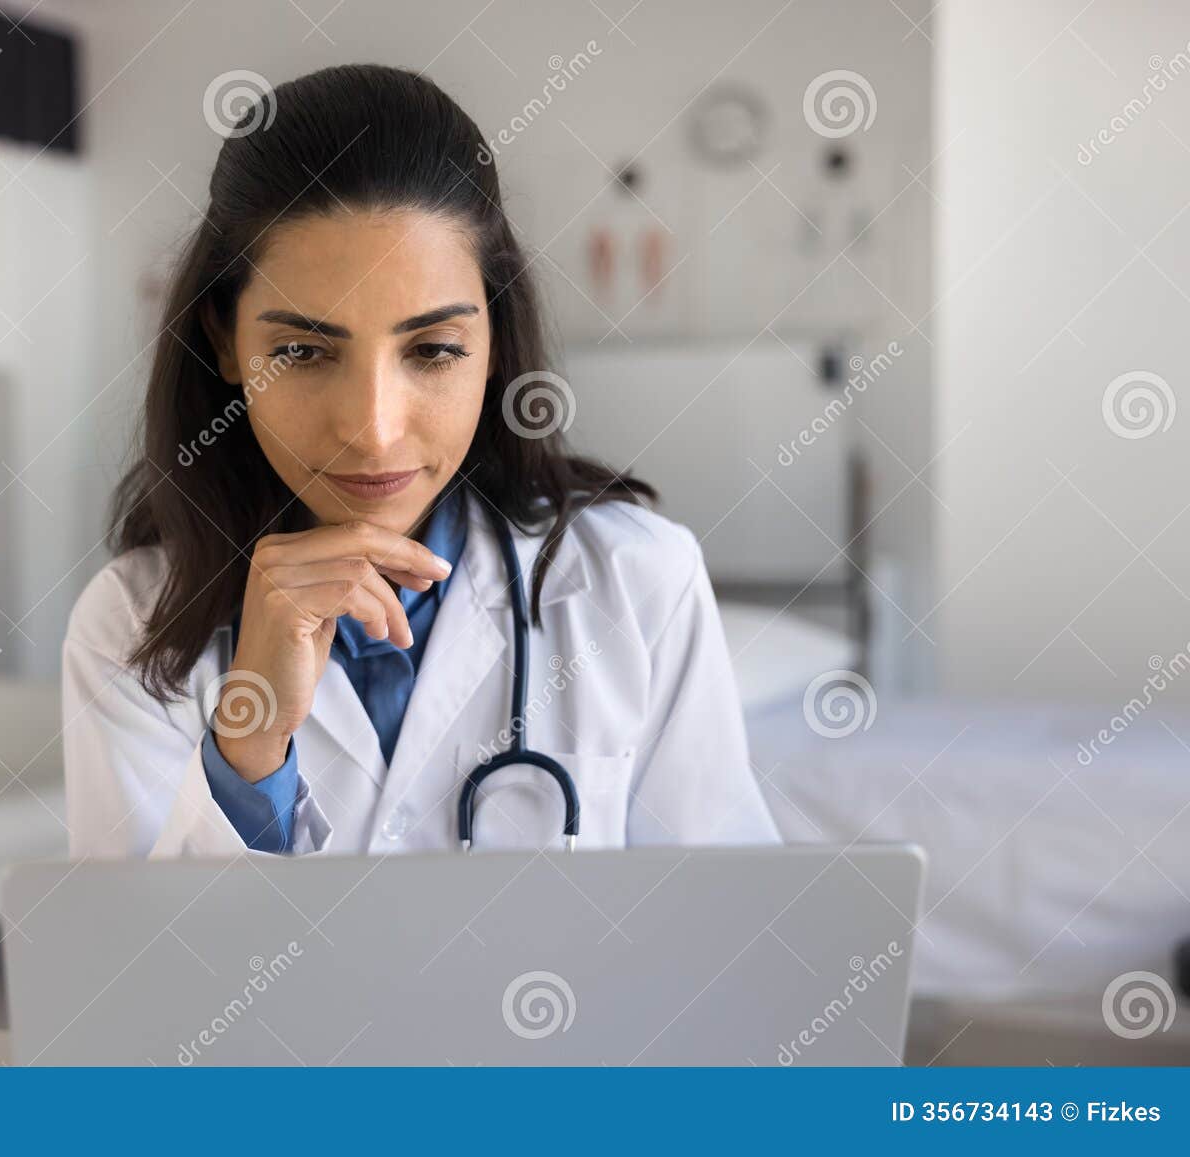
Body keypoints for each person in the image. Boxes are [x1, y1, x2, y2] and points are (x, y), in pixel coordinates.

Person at [62, 63, 780, 858]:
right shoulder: (130, 624)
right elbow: (136, 971)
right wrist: (250, 737)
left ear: (494, 346)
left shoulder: (640, 582)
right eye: (302, 350)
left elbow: (727, 942)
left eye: (434, 349)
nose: (373, 430)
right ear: (227, 344)